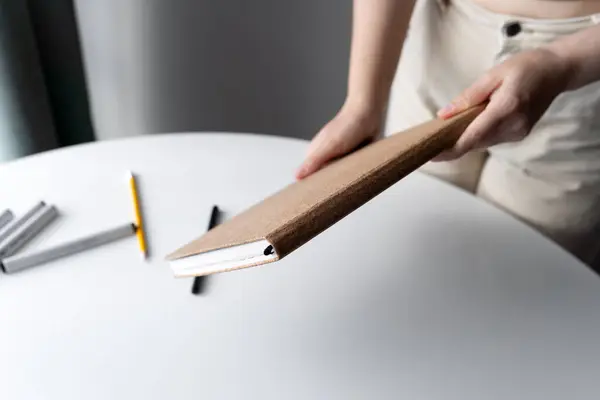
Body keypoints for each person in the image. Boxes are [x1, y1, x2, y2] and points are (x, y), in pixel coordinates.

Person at [296, 0, 600, 269]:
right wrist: (361, 105)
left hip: (579, 70)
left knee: (522, 288)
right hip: (444, 39)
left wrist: (564, 63)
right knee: (408, 255)